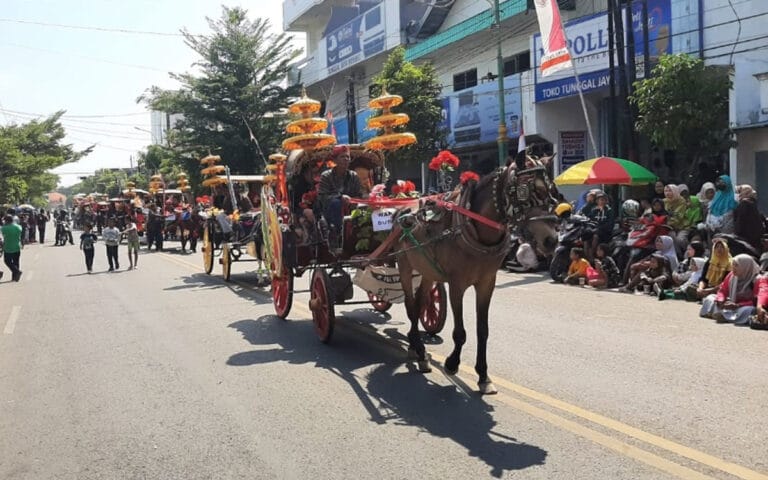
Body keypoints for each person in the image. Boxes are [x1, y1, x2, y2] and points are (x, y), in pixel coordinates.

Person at [317, 145, 362, 248]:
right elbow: (322, 197)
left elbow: (359, 194)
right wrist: (340, 197)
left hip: (351, 207)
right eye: (342, 157)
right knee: (336, 203)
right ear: (335, 160)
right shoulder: (326, 176)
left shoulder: (353, 176)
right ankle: (335, 234)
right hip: (330, 211)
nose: (346, 159)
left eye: (347, 157)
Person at [699, 254, 761, 324]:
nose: (733, 268)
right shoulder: (732, 276)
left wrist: (737, 305)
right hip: (730, 303)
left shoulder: (757, 280)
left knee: (749, 310)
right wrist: (720, 300)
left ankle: (725, 316)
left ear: (745, 267)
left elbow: (756, 301)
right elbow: (722, 290)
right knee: (710, 298)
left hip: (743, 306)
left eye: (736, 265)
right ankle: (724, 315)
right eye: (733, 265)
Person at [733, 185, 764, 251]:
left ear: (745, 193)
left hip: (746, 240)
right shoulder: (753, 204)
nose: (737, 195)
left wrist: (736, 235)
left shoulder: (744, 205)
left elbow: (740, 224)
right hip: (756, 240)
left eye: (739, 192)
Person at [1, 214, 23, 281]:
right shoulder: (18, 227)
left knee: (7, 261)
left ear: (6, 221)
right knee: (16, 262)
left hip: (8, 247)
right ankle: (15, 277)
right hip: (17, 246)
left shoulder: (4, 228)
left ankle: (16, 272)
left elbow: (2, 234)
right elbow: (20, 232)